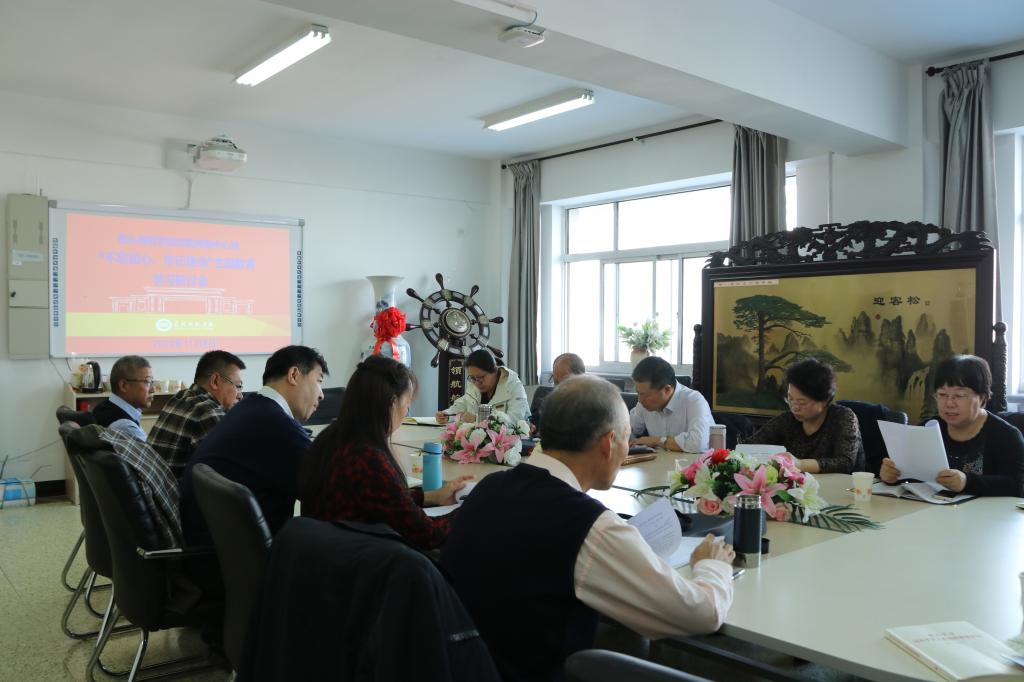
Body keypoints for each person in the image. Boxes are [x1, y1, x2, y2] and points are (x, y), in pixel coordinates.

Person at [441, 375, 734, 681]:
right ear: (608, 443)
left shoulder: (489, 487)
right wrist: (712, 564)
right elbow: (702, 614)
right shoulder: (588, 526)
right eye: (626, 438)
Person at [300, 355, 472, 550]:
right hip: (355, 562)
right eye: (407, 404)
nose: (406, 412)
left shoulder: (330, 439)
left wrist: (430, 497)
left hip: (323, 556)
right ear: (391, 403)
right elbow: (428, 534)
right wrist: (471, 508)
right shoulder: (367, 458)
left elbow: (383, 498)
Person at [178, 345, 328, 545]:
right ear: (293, 375)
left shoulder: (249, 408)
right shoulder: (277, 425)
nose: (321, 394)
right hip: (235, 554)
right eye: (318, 381)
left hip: (214, 547)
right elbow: (329, 489)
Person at [880, 355, 1024, 496]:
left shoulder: (1006, 436)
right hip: (931, 508)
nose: (949, 403)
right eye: (942, 395)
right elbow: (910, 476)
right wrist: (892, 476)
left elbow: (1017, 486)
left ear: (982, 398)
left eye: (959, 395)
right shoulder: (927, 429)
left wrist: (966, 482)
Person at [742, 358, 862, 473]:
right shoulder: (787, 419)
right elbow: (748, 445)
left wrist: (799, 464)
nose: (794, 407)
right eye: (790, 399)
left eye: (802, 402)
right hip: (801, 485)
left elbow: (845, 462)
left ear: (824, 400)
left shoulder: (844, 417)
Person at [147, 350, 247, 472]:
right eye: (238, 386)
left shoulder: (180, 396)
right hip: (175, 484)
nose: (240, 395)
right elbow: (229, 470)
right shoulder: (208, 412)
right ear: (215, 381)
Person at [629, 356, 713, 452]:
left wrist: (656, 441)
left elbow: (698, 443)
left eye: (646, 395)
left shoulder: (694, 400)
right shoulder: (643, 403)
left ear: (667, 389)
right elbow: (628, 429)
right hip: (659, 460)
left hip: (692, 461)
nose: (640, 400)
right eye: (638, 393)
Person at [435, 349, 530, 424]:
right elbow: (463, 403)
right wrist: (447, 415)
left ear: (494, 371)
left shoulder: (513, 385)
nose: (477, 383)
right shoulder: (473, 383)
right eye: (472, 378)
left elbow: (515, 421)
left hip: (511, 440)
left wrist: (478, 419)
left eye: (481, 377)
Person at [92, 355, 154, 441]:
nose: (152, 389)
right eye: (147, 382)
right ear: (124, 385)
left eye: (152, 382)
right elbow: (149, 450)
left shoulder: (103, 407)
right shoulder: (125, 427)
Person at [531, 352, 586, 433]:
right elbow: (533, 421)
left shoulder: (589, 405)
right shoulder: (546, 400)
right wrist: (529, 425)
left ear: (579, 378)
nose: (558, 387)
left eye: (564, 380)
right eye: (555, 381)